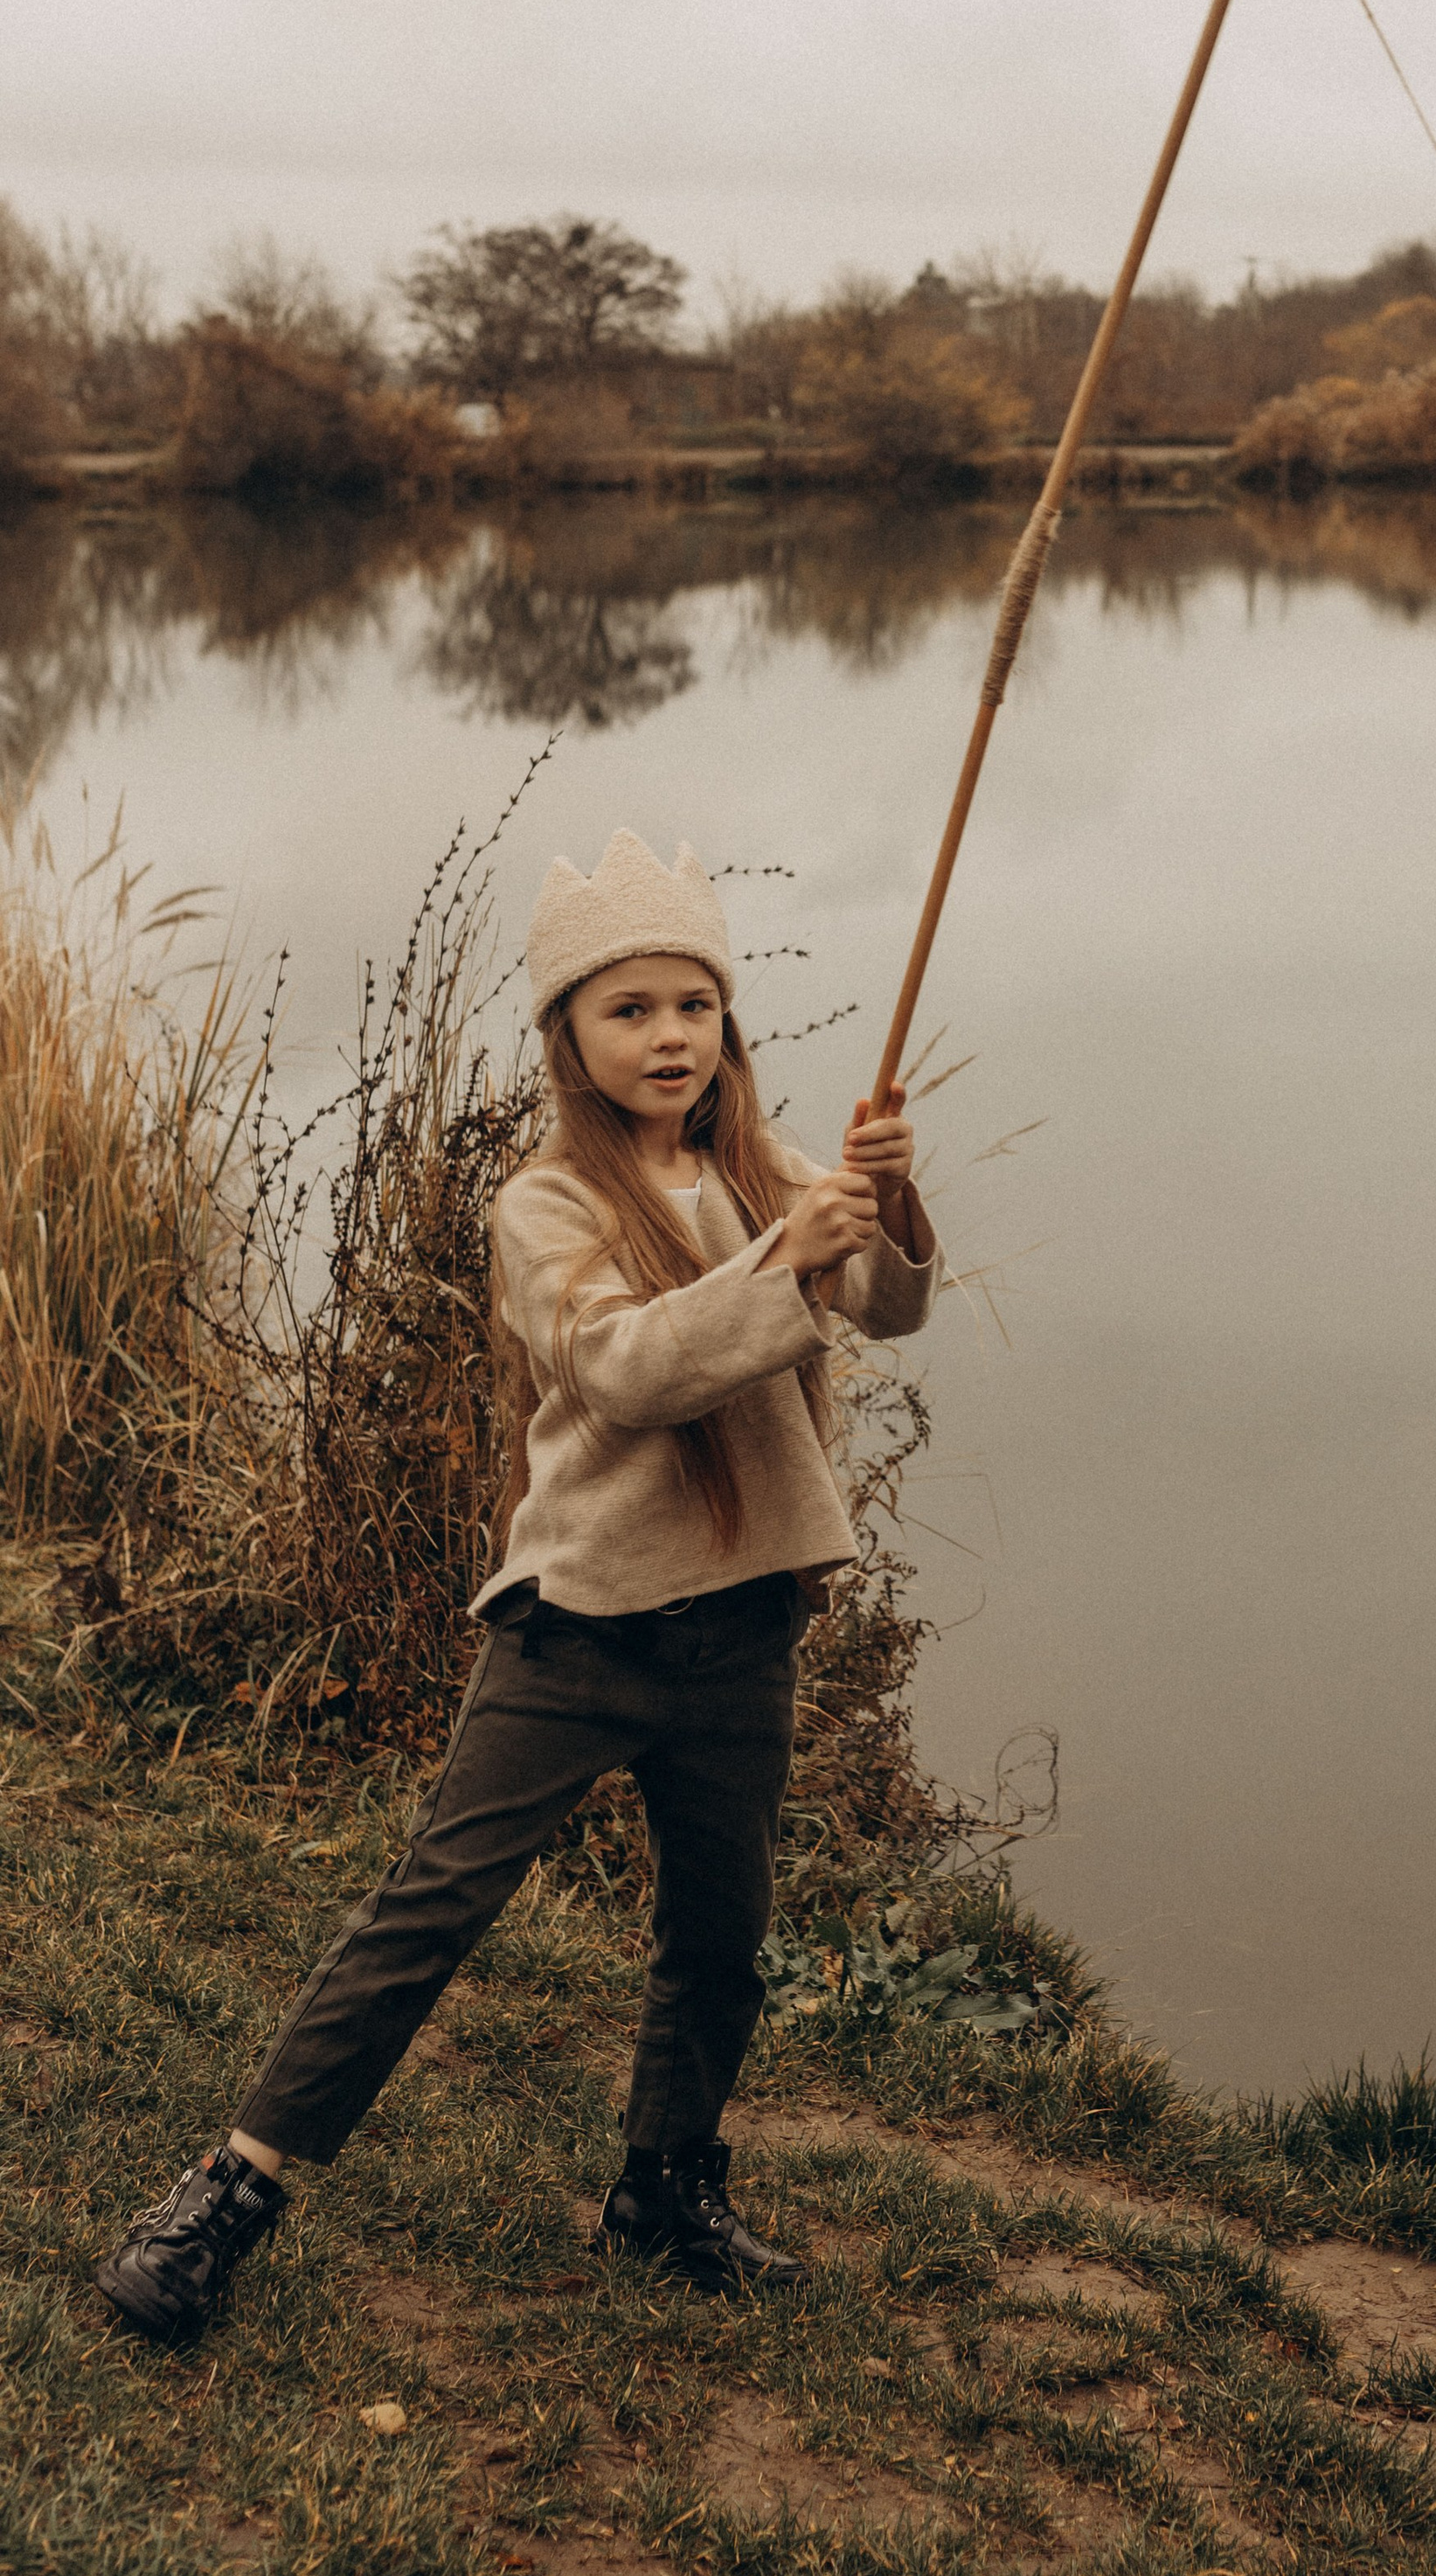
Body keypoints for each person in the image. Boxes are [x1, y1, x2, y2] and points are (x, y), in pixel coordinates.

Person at [95, 831, 940, 2345]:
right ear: (571, 1037)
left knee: (720, 1933)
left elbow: (892, 1303)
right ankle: (232, 2191)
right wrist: (785, 1263)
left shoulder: (774, 1172)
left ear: (727, 1021)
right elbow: (625, 1368)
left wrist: (884, 1202)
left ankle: (665, 2193)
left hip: (744, 1624)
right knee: (430, 1910)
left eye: (694, 1004)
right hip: (583, 1630)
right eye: (630, 1010)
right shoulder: (546, 1204)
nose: (670, 1035)